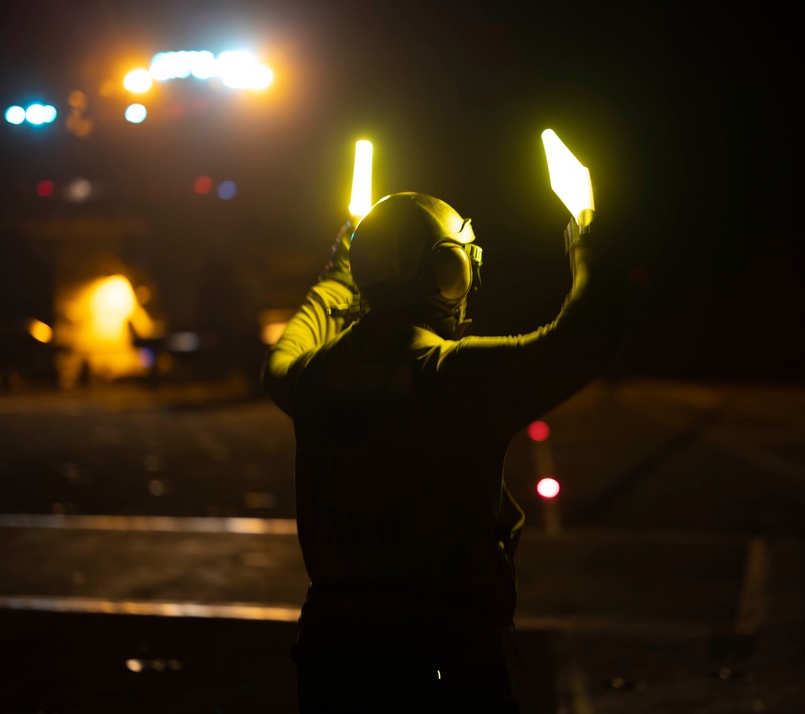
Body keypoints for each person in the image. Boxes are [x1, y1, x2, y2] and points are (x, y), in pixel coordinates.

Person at [262, 191, 626, 712]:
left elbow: (283, 354)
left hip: (333, 648)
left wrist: (339, 273)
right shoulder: (453, 375)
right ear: (444, 269)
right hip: (445, 654)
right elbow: (587, 335)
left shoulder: (314, 378)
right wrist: (588, 236)